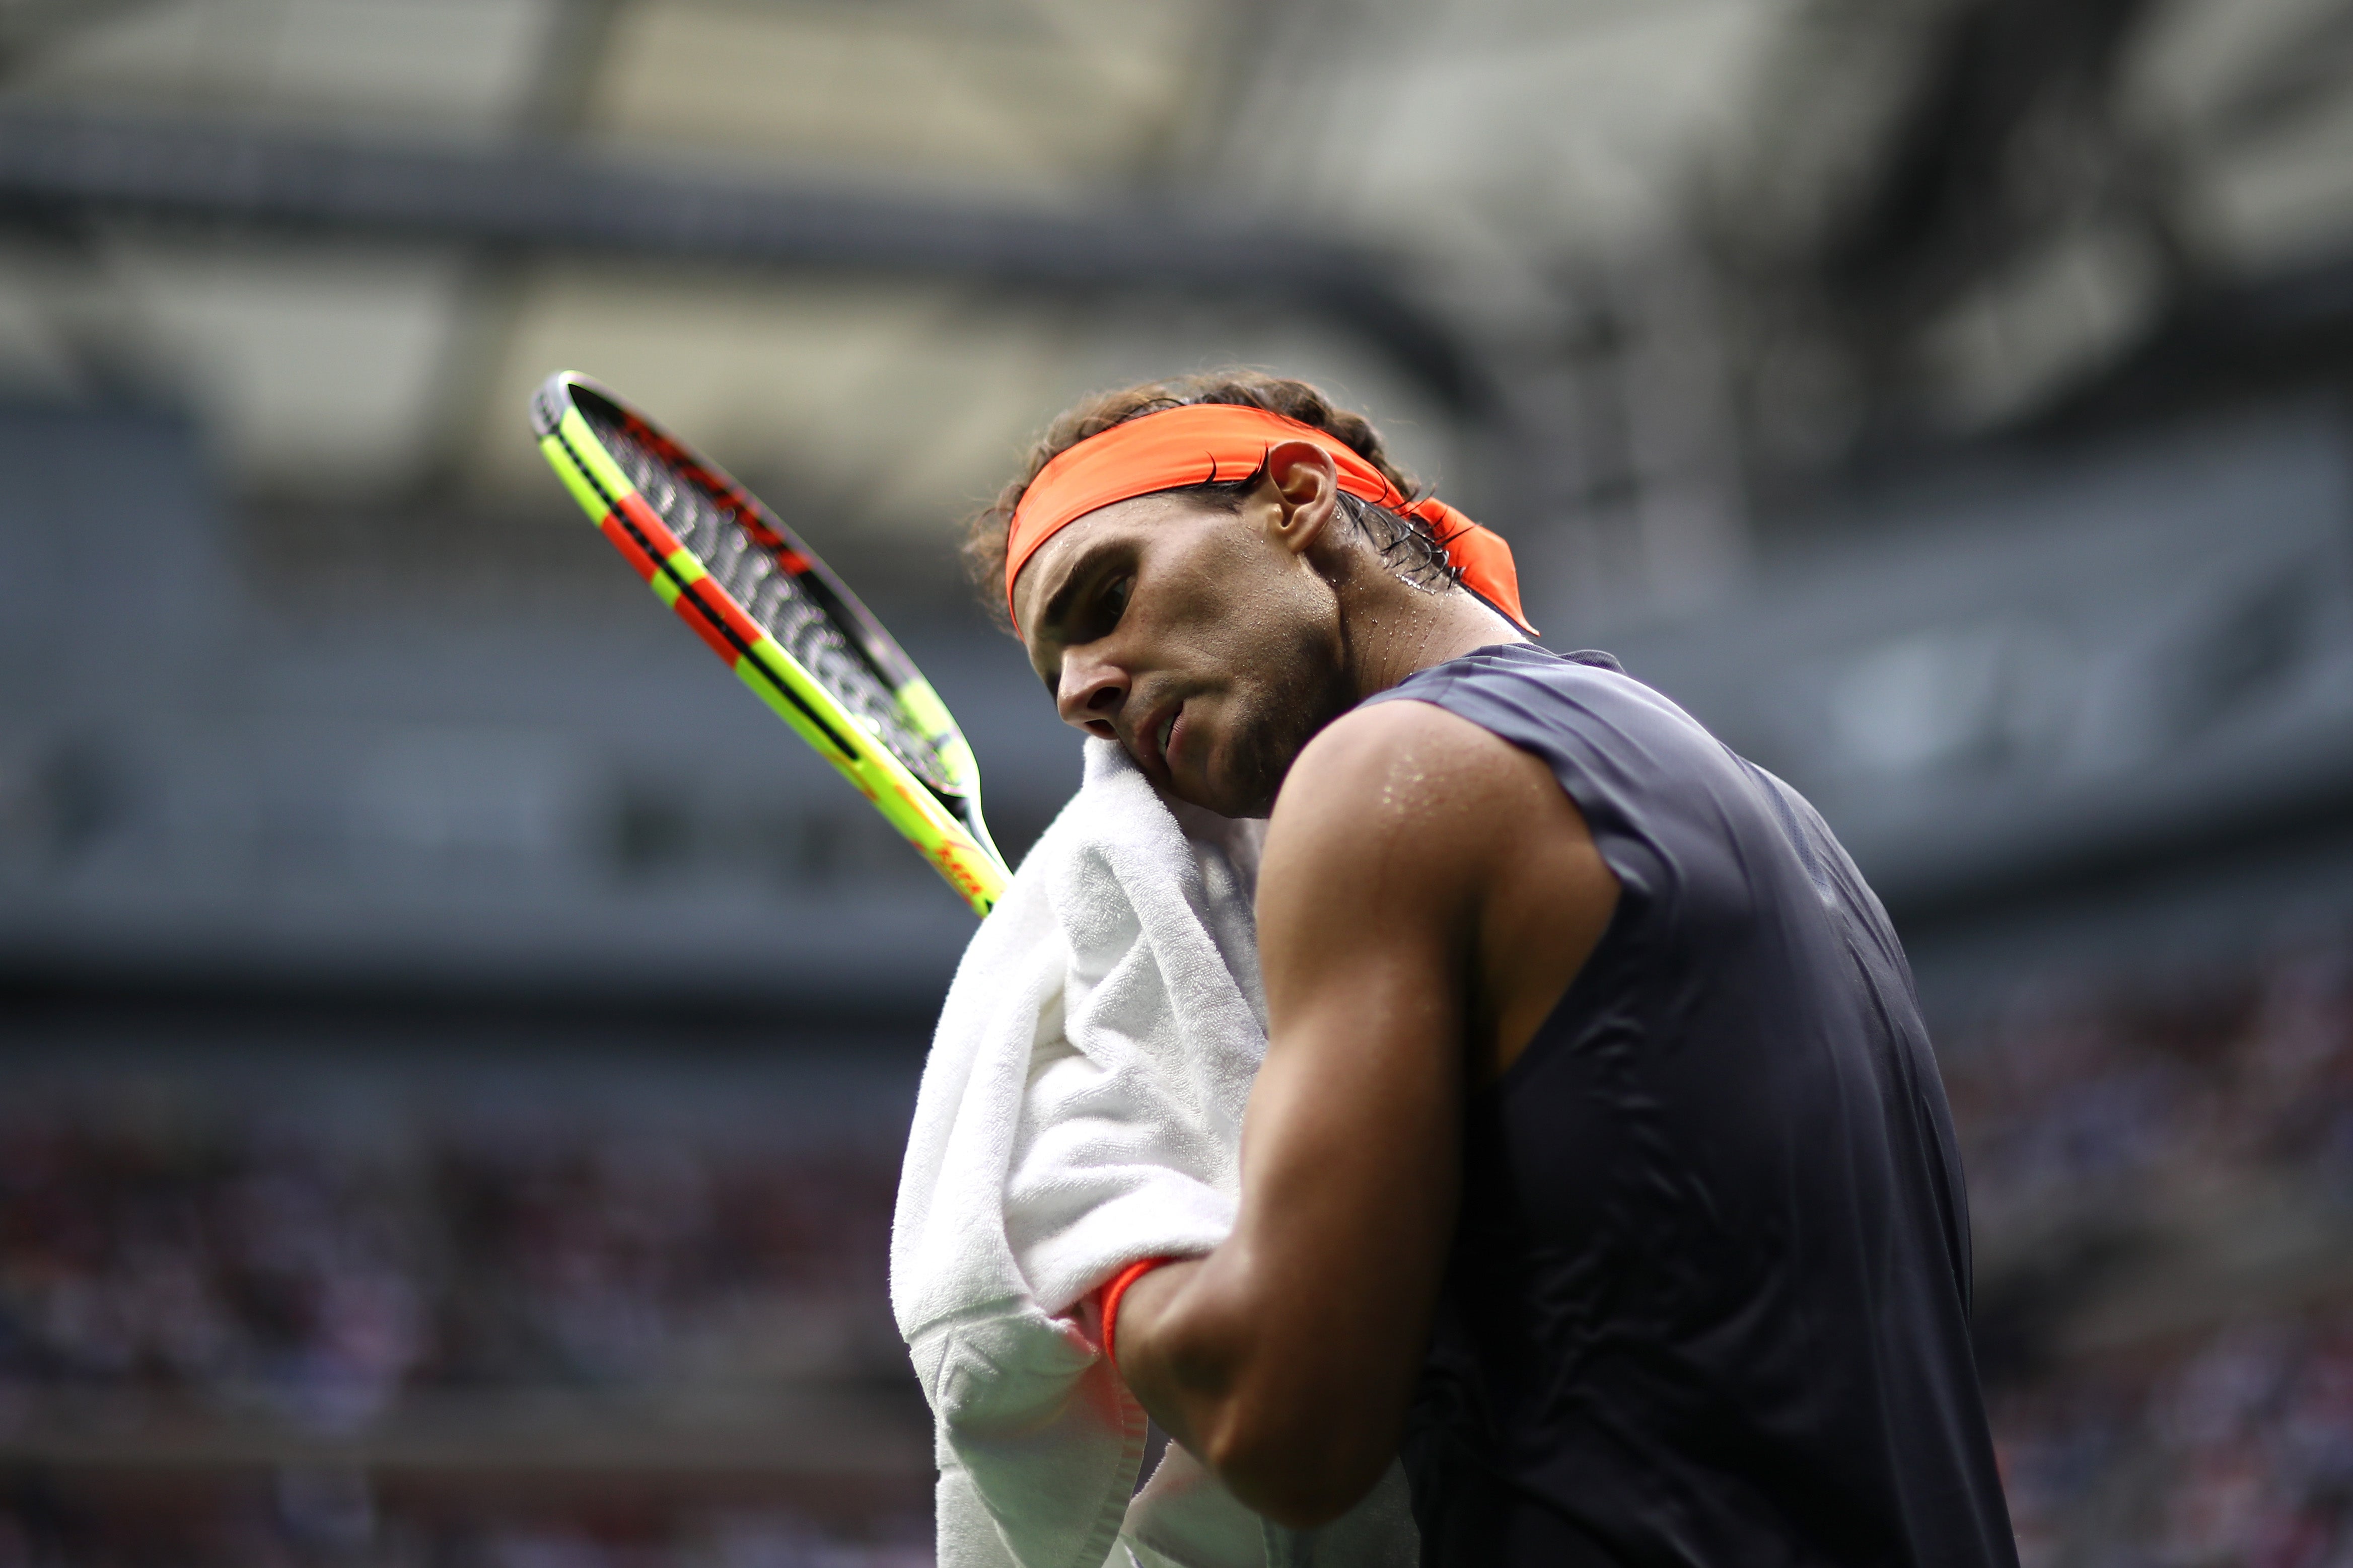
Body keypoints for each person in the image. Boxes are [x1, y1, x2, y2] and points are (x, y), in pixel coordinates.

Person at [969, 370, 2019, 1567]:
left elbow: (1285, 1426)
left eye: (1108, 596)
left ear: (1296, 500)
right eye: (1061, 680)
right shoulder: (1787, 822)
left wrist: (1101, 1217)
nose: (1082, 691)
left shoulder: (1390, 777)